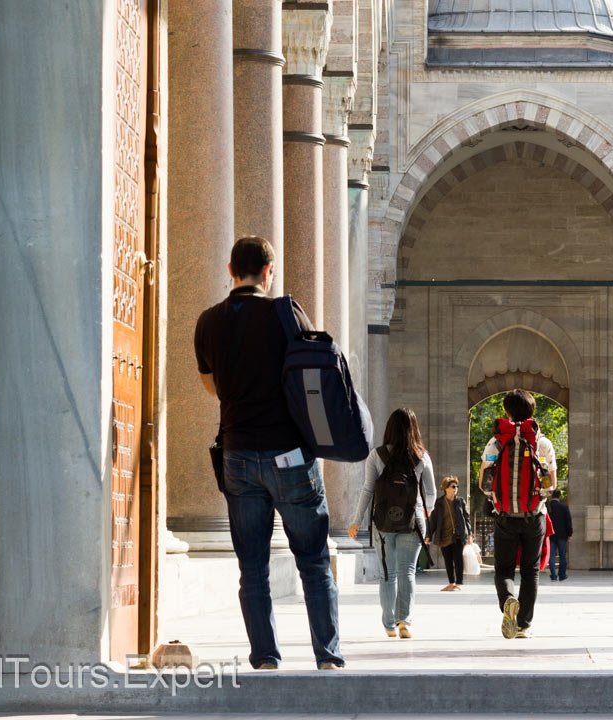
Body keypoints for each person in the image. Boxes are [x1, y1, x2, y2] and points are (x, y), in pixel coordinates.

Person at [194, 236, 344, 670]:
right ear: (269, 271)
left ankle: (264, 657)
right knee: (313, 561)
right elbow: (311, 371)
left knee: (253, 564)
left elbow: (211, 386)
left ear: (230, 270)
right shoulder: (285, 313)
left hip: (238, 453)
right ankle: (327, 656)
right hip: (290, 453)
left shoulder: (208, 321)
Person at [347, 408, 436, 639]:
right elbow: (431, 493)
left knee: (388, 573)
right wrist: (425, 513)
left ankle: (388, 624)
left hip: (383, 521)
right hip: (413, 520)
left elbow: (367, 489)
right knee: (407, 572)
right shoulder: (422, 456)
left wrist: (356, 520)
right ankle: (405, 621)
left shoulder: (376, 455)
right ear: (414, 429)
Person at [478, 390, 556, 639]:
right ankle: (523, 625)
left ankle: (509, 600)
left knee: (503, 570)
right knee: (531, 571)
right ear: (533, 411)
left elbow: (484, 483)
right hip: (535, 516)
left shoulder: (497, 441)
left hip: (504, 517)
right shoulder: (542, 443)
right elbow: (550, 484)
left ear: (507, 412)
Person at [426, 476, 473, 591]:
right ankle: (451, 583)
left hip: (458, 535)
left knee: (458, 559)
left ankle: (459, 583)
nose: (455, 488)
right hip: (444, 536)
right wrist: (429, 535)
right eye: (453, 486)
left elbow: (467, 519)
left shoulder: (460, 501)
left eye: (456, 486)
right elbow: (433, 520)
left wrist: (470, 534)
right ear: (446, 488)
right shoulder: (439, 502)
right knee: (448, 560)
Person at [546, 489, 573, 582]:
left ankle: (553, 576)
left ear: (551, 496)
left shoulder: (547, 507)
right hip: (562, 535)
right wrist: (570, 534)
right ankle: (562, 575)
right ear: (559, 496)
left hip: (550, 534)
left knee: (551, 556)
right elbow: (568, 521)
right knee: (562, 555)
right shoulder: (564, 507)